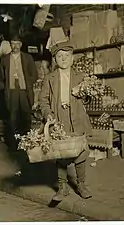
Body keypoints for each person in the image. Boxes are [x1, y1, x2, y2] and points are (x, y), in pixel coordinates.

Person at [39, 41, 92, 201]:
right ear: (55, 59)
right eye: (60, 56)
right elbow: (43, 100)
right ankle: (62, 187)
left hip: (76, 117)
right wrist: (48, 114)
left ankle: (81, 184)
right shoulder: (50, 78)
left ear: (72, 58)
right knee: (61, 152)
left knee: (80, 151)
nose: (63, 59)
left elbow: (89, 98)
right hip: (59, 118)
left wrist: (82, 94)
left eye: (66, 56)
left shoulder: (81, 77)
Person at [0, 33, 38, 150]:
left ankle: (27, 142)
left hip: (24, 91)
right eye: (13, 43)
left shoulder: (27, 58)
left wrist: (27, 84)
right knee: (13, 118)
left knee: (26, 117)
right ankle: (14, 144)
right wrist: (7, 85)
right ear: (10, 45)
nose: (15, 46)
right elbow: (1, 76)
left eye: (17, 44)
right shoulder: (4, 59)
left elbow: (34, 75)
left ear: (21, 45)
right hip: (12, 92)